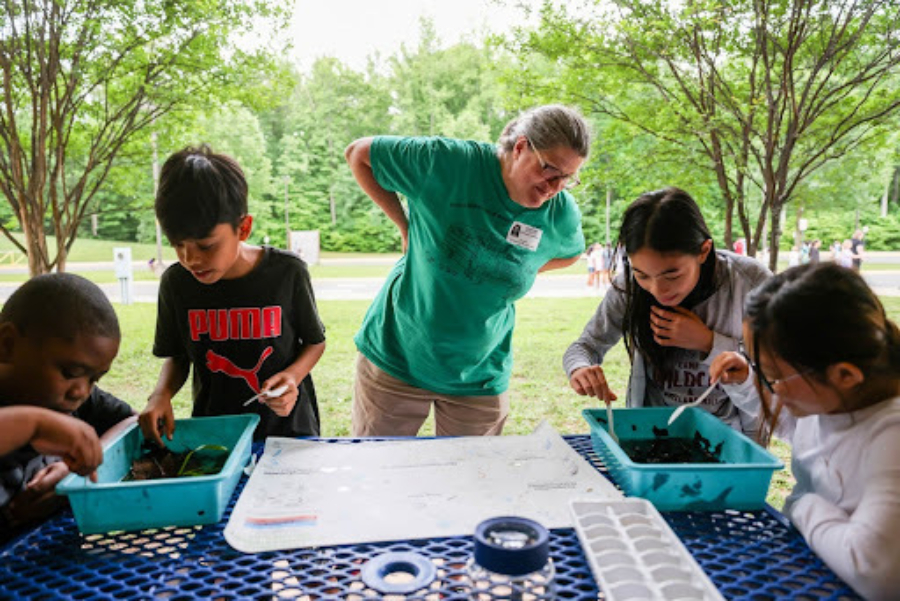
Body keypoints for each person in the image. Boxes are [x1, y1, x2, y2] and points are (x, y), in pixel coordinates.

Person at [345, 104, 590, 436]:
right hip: (398, 357)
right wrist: (405, 227)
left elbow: (571, 253)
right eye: (549, 170)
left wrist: (517, 267)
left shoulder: (559, 213)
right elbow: (359, 154)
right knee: (380, 471)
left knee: (473, 480)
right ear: (520, 147)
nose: (555, 186)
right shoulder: (447, 163)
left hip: (480, 373)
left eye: (567, 177)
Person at [709, 263, 900, 600]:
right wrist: (747, 381)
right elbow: (799, 428)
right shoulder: (833, 401)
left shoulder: (890, 435)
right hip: (811, 570)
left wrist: (803, 505)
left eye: (773, 376)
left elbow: (873, 569)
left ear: (844, 374)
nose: (772, 389)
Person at [140, 145, 326, 444]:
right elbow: (177, 356)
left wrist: (292, 376)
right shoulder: (176, 283)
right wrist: (160, 394)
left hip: (288, 429)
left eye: (206, 245)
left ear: (243, 228)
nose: (191, 259)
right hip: (216, 432)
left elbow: (315, 342)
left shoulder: (287, 272)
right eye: (178, 245)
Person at [563, 187, 770, 436]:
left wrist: (708, 342)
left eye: (672, 274)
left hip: (731, 439)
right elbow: (584, 347)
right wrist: (580, 368)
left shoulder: (752, 283)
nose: (657, 289)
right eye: (642, 275)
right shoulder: (628, 286)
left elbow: (776, 384)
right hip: (654, 434)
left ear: (703, 251)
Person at [0, 273, 135, 542]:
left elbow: (132, 423)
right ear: (7, 344)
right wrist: (35, 425)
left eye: (94, 379)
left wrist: (74, 472)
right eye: (70, 371)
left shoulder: (74, 397)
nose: (81, 391)